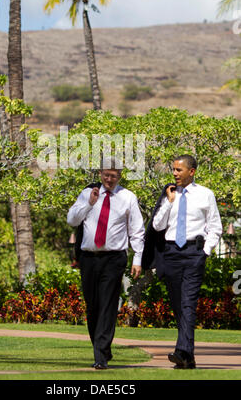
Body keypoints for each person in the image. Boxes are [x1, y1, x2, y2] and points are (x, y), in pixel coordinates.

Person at [67, 162, 145, 369]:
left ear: (120, 176)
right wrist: (89, 203)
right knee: (92, 306)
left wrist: (138, 258)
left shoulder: (128, 197)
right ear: (100, 173)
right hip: (89, 258)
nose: (109, 180)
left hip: (114, 258)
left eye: (114, 176)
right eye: (106, 175)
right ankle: (103, 348)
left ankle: (100, 356)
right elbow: (71, 219)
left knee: (107, 306)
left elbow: (136, 230)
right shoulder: (87, 193)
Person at [151, 154, 222, 369]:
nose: (174, 174)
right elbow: (157, 226)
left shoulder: (205, 195)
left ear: (191, 172)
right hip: (171, 252)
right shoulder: (169, 194)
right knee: (178, 305)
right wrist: (168, 203)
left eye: (179, 170)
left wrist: (205, 252)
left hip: (194, 252)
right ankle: (188, 358)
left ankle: (181, 351)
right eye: (173, 169)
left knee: (188, 303)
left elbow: (215, 226)